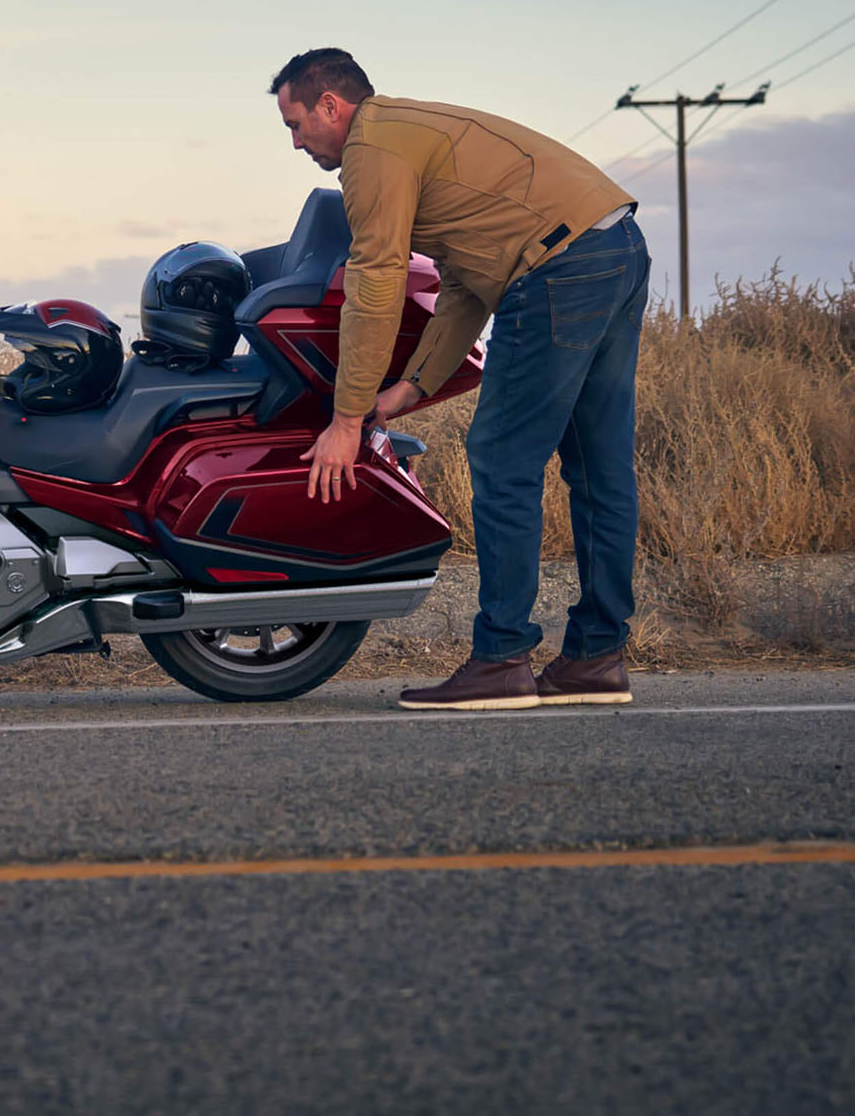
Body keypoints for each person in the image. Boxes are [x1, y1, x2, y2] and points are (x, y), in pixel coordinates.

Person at [269, 48, 648, 712]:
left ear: (331, 105)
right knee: (598, 468)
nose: (296, 142)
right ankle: (594, 658)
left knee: (503, 461)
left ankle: (501, 660)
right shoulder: (409, 130)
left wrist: (347, 417)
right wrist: (410, 389)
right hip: (612, 245)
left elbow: (376, 282)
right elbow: (464, 287)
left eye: (296, 124)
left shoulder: (371, 150)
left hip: (557, 267)